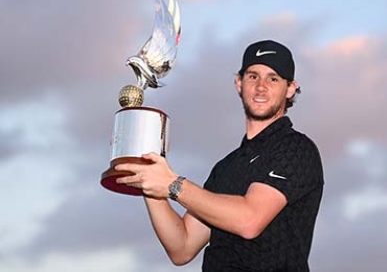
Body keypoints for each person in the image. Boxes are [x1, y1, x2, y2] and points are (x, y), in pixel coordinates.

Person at [115, 39, 324, 271]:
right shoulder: (226, 167)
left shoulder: (296, 148)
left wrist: (173, 184)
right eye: (253, 76)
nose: (261, 86)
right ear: (239, 83)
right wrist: (150, 180)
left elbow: (249, 220)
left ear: (290, 88)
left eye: (273, 78)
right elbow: (182, 247)